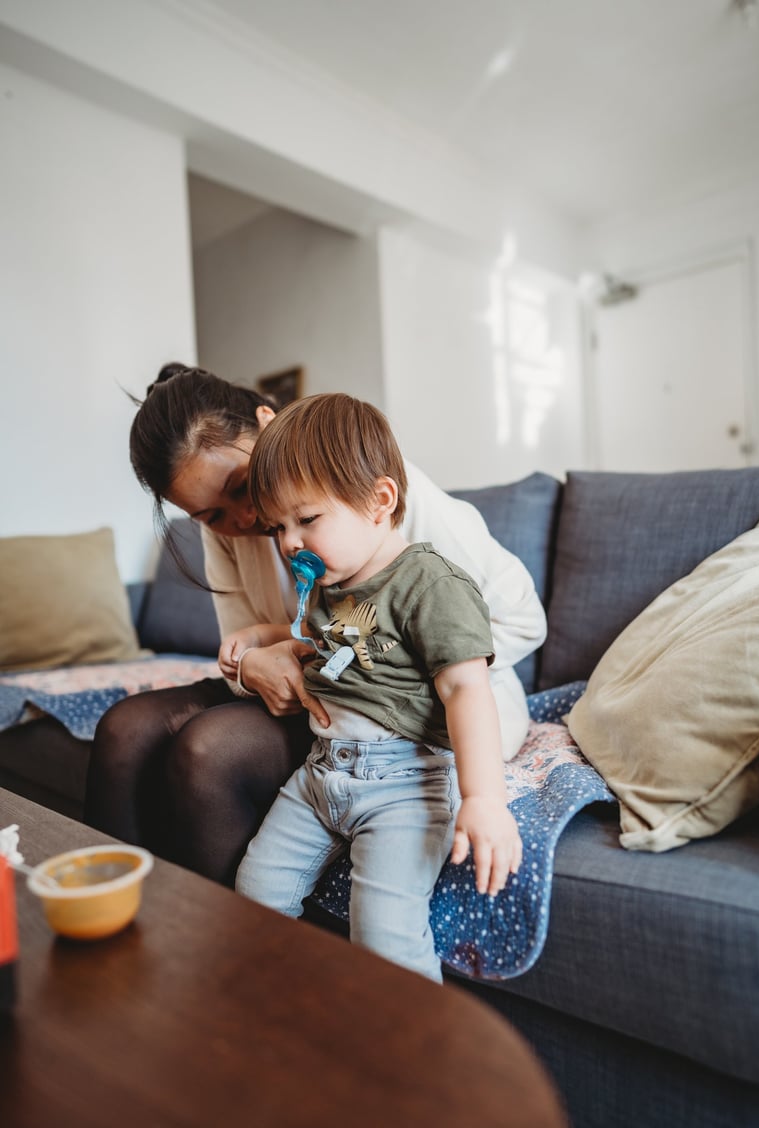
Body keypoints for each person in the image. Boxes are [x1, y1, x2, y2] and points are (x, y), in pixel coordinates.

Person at [84, 365, 546, 886]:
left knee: (207, 747)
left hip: (399, 704)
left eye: (240, 487)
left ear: (268, 421)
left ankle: (223, 926)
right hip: (318, 679)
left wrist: (392, 667)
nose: (244, 519)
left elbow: (520, 619)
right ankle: (112, 911)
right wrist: (251, 663)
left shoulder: (370, 493)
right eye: (210, 516)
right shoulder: (232, 534)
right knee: (125, 729)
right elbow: (255, 638)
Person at [235, 393, 522, 982]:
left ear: (379, 500)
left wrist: (484, 799)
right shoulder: (330, 583)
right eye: (278, 528)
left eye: (306, 520)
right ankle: (282, 1011)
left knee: (384, 940)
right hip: (319, 776)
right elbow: (324, 642)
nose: (288, 543)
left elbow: (467, 690)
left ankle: (417, 1041)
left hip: (406, 785)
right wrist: (265, 638)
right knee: (255, 894)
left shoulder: (430, 584)